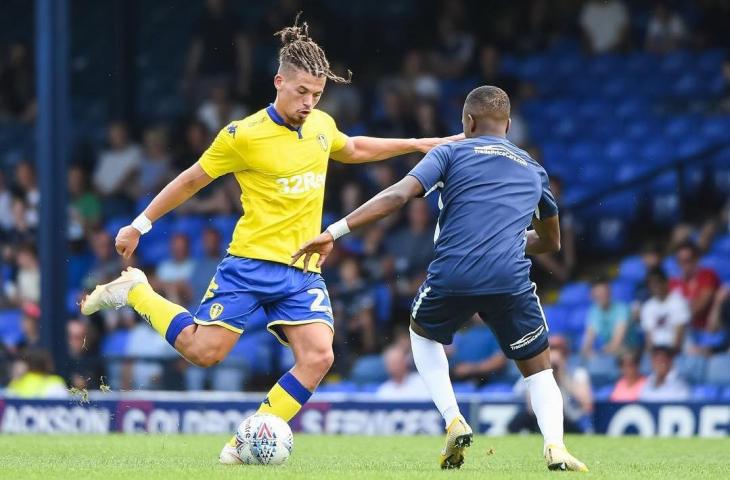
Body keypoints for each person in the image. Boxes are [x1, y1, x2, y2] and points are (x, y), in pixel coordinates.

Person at [80, 16, 454, 465]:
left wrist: (416, 144)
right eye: (302, 92)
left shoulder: (320, 125)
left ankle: (246, 440)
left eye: (317, 94)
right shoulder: (242, 135)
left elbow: (352, 148)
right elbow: (191, 179)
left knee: (318, 357)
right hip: (250, 264)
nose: (309, 102)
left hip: (302, 269)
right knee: (204, 353)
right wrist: (140, 224)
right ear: (279, 82)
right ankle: (136, 291)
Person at [293, 86, 587, 471]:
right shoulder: (534, 169)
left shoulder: (450, 151)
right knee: (539, 368)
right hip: (509, 277)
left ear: (467, 122)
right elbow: (551, 241)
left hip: (454, 273)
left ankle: (453, 418)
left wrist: (334, 232)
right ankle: (555, 447)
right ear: (509, 125)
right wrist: (507, 241)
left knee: (420, 333)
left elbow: (398, 196)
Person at [509, 336, 592, 434]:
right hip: (541, 417)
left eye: (559, 352)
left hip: (569, 418)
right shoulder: (534, 373)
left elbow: (587, 405)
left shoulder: (578, 373)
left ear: (565, 355)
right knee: (519, 419)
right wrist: (546, 371)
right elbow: (531, 409)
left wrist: (561, 374)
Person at [670, 241, 720, 340]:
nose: (684, 265)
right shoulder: (673, 283)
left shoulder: (707, 276)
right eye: (680, 261)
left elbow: (701, 305)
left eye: (688, 260)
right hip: (682, 333)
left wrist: (680, 314)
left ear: (696, 259)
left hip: (705, 331)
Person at [640, 268, 690, 351]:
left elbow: (679, 338)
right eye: (651, 284)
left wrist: (667, 355)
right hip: (657, 354)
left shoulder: (679, 302)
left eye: (658, 282)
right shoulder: (647, 307)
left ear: (665, 282)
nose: (655, 286)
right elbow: (649, 339)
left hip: (678, 352)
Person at [580, 278, 630, 358]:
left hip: (630, 351)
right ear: (593, 295)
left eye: (604, 292)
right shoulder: (593, 311)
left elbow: (617, 342)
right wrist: (587, 351)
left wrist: (600, 353)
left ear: (609, 292)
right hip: (610, 352)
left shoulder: (622, 309)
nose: (602, 296)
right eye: (598, 293)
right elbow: (588, 340)